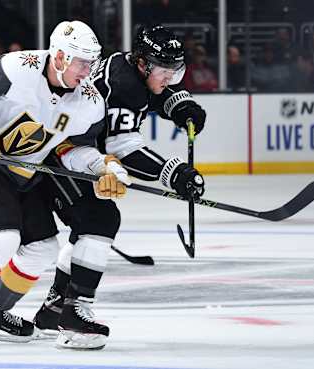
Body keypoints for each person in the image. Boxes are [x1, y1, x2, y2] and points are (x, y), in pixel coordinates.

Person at [0, 20, 130, 356]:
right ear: (61, 57)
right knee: (1, 238)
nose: (88, 70)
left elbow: (71, 148)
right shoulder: (17, 67)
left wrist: (102, 166)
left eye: (92, 62)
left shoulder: (89, 101)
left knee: (43, 247)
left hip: (21, 172)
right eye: (82, 61)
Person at [31, 25, 206, 349]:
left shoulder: (126, 69)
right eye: (164, 70)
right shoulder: (124, 84)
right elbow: (124, 147)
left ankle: (56, 309)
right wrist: (174, 173)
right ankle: (73, 318)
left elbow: (154, 93)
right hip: (62, 154)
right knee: (100, 220)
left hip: (76, 153)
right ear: (142, 64)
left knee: (90, 226)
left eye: (175, 71)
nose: (169, 77)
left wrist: (179, 104)